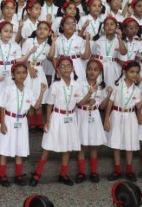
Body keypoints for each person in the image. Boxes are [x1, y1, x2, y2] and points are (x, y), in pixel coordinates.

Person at [29, 56, 97, 187]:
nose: (66, 68)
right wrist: (47, 121)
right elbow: (49, 104)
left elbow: (80, 103)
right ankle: (37, 173)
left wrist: (89, 93)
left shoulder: (76, 85)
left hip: (70, 118)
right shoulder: (55, 85)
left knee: (67, 147)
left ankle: (63, 174)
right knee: (47, 146)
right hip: (57, 117)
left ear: (73, 68)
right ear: (58, 70)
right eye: (62, 66)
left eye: (68, 66)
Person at [0, 62, 46, 187]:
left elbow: (36, 106)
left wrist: (42, 92)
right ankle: (2, 175)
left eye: (24, 72)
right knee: (4, 149)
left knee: (20, 148)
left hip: (22, 122)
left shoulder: (28, 91)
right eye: (18, 73)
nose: (21, 75)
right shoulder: (8, 89)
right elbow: (0, 106)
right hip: (9, 120)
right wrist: (2, 123)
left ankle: (18, 175)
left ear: (27, 74)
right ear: (13, 75)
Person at [104, 61, 142, 182]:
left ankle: (129, 170)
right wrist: (106, 119)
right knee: (116, 143)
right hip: (116, 115)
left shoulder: (137, 90)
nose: (135, 74)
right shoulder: (117, 86)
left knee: (130, 144)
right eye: (132, 72)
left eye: (137, 72)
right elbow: (110, 102)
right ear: (124, 72)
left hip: (130, 116)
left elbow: (138, 106)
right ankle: (117, 170)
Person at [75, 59, 110, 184]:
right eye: (89, 69)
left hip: (94, 115)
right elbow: (79, 103)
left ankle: (94, 172)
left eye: (95, 70)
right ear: (86, 70)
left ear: (99, 72)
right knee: (81, 145)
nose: (92, 72)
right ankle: (81, 172)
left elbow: (102, 106)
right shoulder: (79, 84)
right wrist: (89, 96)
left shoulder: (101, 87)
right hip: (82, 114)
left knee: (93, 146)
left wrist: (109, 95)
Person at [0, 21, 23, 121]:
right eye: (5, 31)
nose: (8, 34)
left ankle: (9, 120)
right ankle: (1, 122)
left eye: (11, 31)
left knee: (10, 97)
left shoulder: (15, 46)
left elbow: (18, 61)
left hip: (10, 73)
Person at [21, 21, 52, 131]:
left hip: (39, 71)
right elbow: (23, 56)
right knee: (29, 96)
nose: (42, 31)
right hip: (27, 69)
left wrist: (54, 41)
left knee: (39, 95)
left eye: (45, 29)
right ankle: (32, 123)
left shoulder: (47, 46)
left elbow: (51, 56)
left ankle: (39, 123)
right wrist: (29, 68)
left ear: (49, 33)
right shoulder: (29, 41)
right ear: (36, 30)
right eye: (40, 28)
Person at [49, 15, 91, 83]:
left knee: (77, 86)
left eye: (73, 24)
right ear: (62, 27)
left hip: (76, 66)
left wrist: (87, 40)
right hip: (61, 66)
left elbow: (86, 56)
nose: (71, 26)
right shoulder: (57, 40)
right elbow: (54, 57)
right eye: (68, 23)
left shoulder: (79, 40)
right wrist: (57, 70)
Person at [90, 17, 126, 87]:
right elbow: (93, 55)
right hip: (100, 65)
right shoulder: (98, 41)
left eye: (112, 24)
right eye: (106, 25)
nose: (109, 26)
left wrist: (119, 39)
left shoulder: (119, 41)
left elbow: (123, 52)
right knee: (99, 86)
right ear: (103, 28)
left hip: (113, 66)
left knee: (112, 86)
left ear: (116, 27)